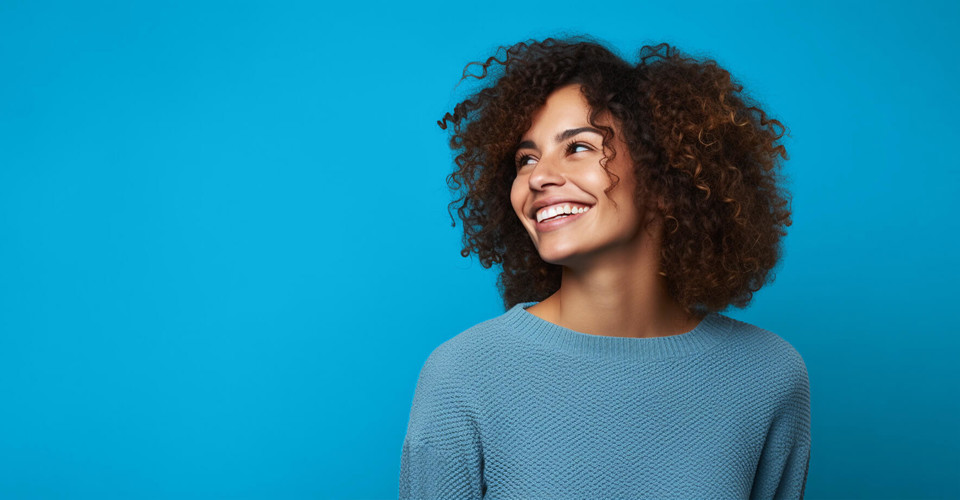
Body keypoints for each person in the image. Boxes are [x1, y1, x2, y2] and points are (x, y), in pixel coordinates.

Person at [399, 36, 810, 500]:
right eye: (526, 159)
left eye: (578, 147)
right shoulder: (463, 376)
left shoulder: (768, 375)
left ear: (664, 176)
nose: (538, 177)